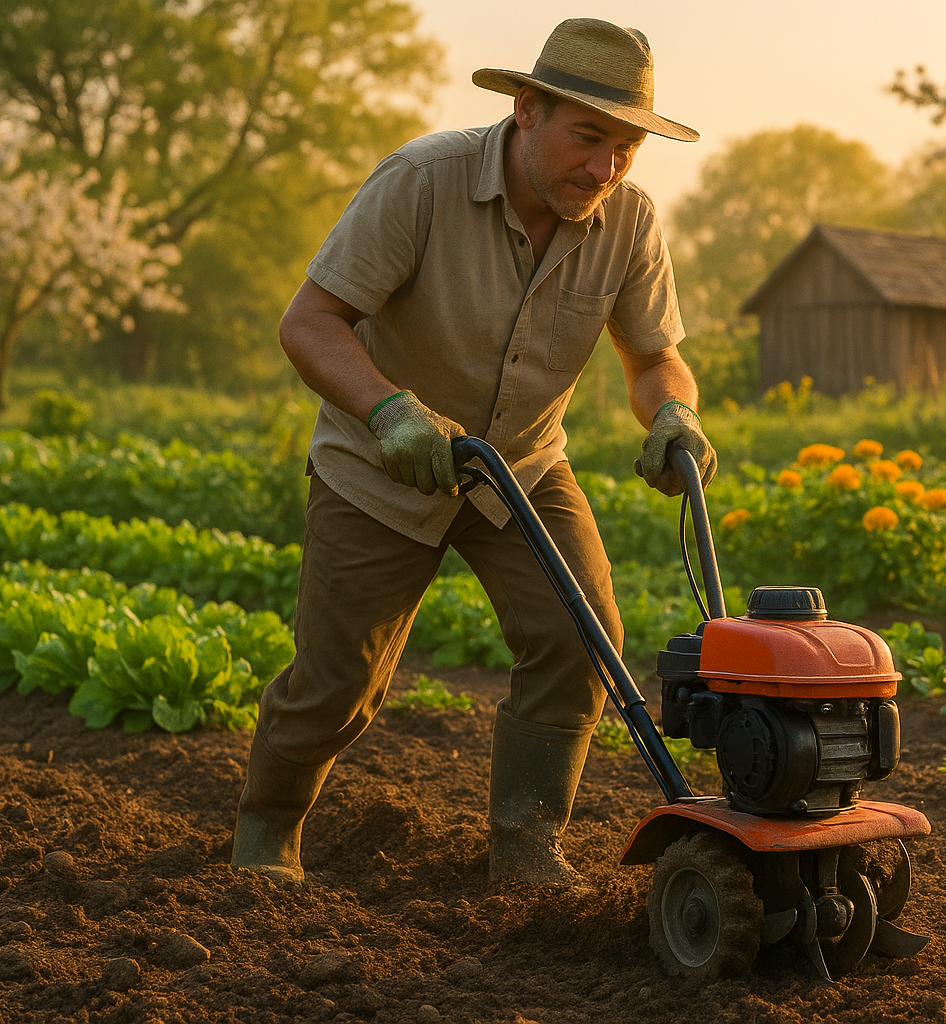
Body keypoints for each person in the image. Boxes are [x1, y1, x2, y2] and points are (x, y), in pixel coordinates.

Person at [230, 17, 716, 890]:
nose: (605, 168)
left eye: (627, 148)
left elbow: (652, 358)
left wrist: (674, 411)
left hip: (521, 467)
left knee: (582, 641)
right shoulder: (423, 181)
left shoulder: (630, 222)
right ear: (527, 110)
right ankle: (268, 829)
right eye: (589, 137)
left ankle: (526, 846)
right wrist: (389, 411)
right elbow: (310, 323)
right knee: (339, 684)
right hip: (381, 464)